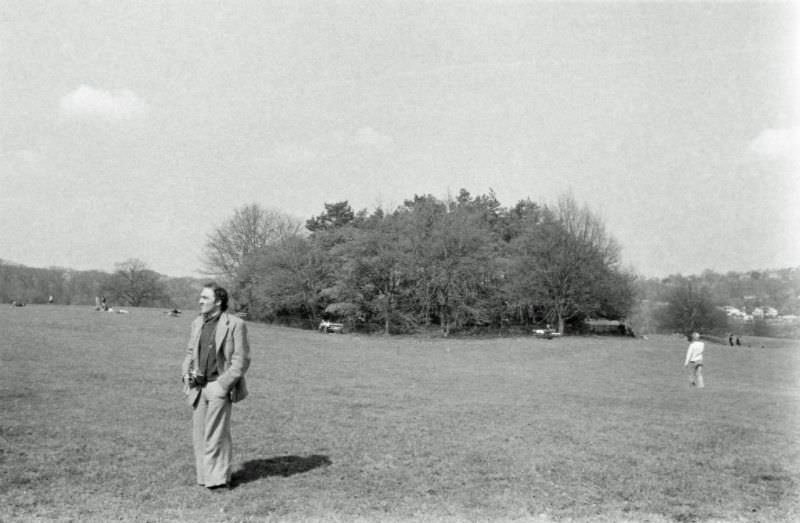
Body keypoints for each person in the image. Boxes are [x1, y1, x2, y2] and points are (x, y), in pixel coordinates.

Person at [181, 283, 251, 490]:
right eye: (200, 297)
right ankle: (205, 478)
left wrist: (223, 385)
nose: (200, 301)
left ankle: (219, 480)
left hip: (218, 386)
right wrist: (186, 374)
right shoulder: (196, 323)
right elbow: (189, 353)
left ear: (218, 301)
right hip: (197, 388)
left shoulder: (235, 324)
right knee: (200, 436)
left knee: (217, 435)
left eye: (205, 298)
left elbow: (241, 360)